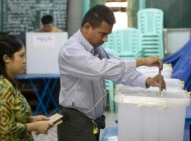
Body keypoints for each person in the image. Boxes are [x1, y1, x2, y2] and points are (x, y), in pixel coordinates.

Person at [57, 4, 166, 141]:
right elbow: (99, 68)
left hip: (91, 120)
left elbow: (119, 71)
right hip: (75, 121)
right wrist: (142, 61)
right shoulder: (71, 50)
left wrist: (147, 80)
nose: (105, 39)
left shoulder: (97, 49)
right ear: (87, 27)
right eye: (102, 34)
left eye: (107, 35)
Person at [0, 35, 53, 141]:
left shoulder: (9, 82)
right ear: (6, 58)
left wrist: (32, 120)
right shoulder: (2, 87)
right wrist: (36, 126)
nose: (25, 61)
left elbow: (13, 116)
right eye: (21, 56)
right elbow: (6, 129)